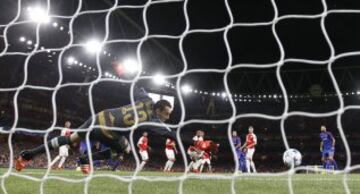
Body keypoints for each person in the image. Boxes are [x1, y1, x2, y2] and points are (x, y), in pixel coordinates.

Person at [16, 87, 177, 174]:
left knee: (70, 139)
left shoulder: (146, 99)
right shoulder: (152, 120)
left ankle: (27, 155)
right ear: (159, 110)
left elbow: (136, 85)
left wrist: (121, 70)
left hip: (99, 117)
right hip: (107, 130)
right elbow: (170, 133)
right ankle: (86, 159)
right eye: (166, 113)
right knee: (124, 150)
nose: (167, 117)